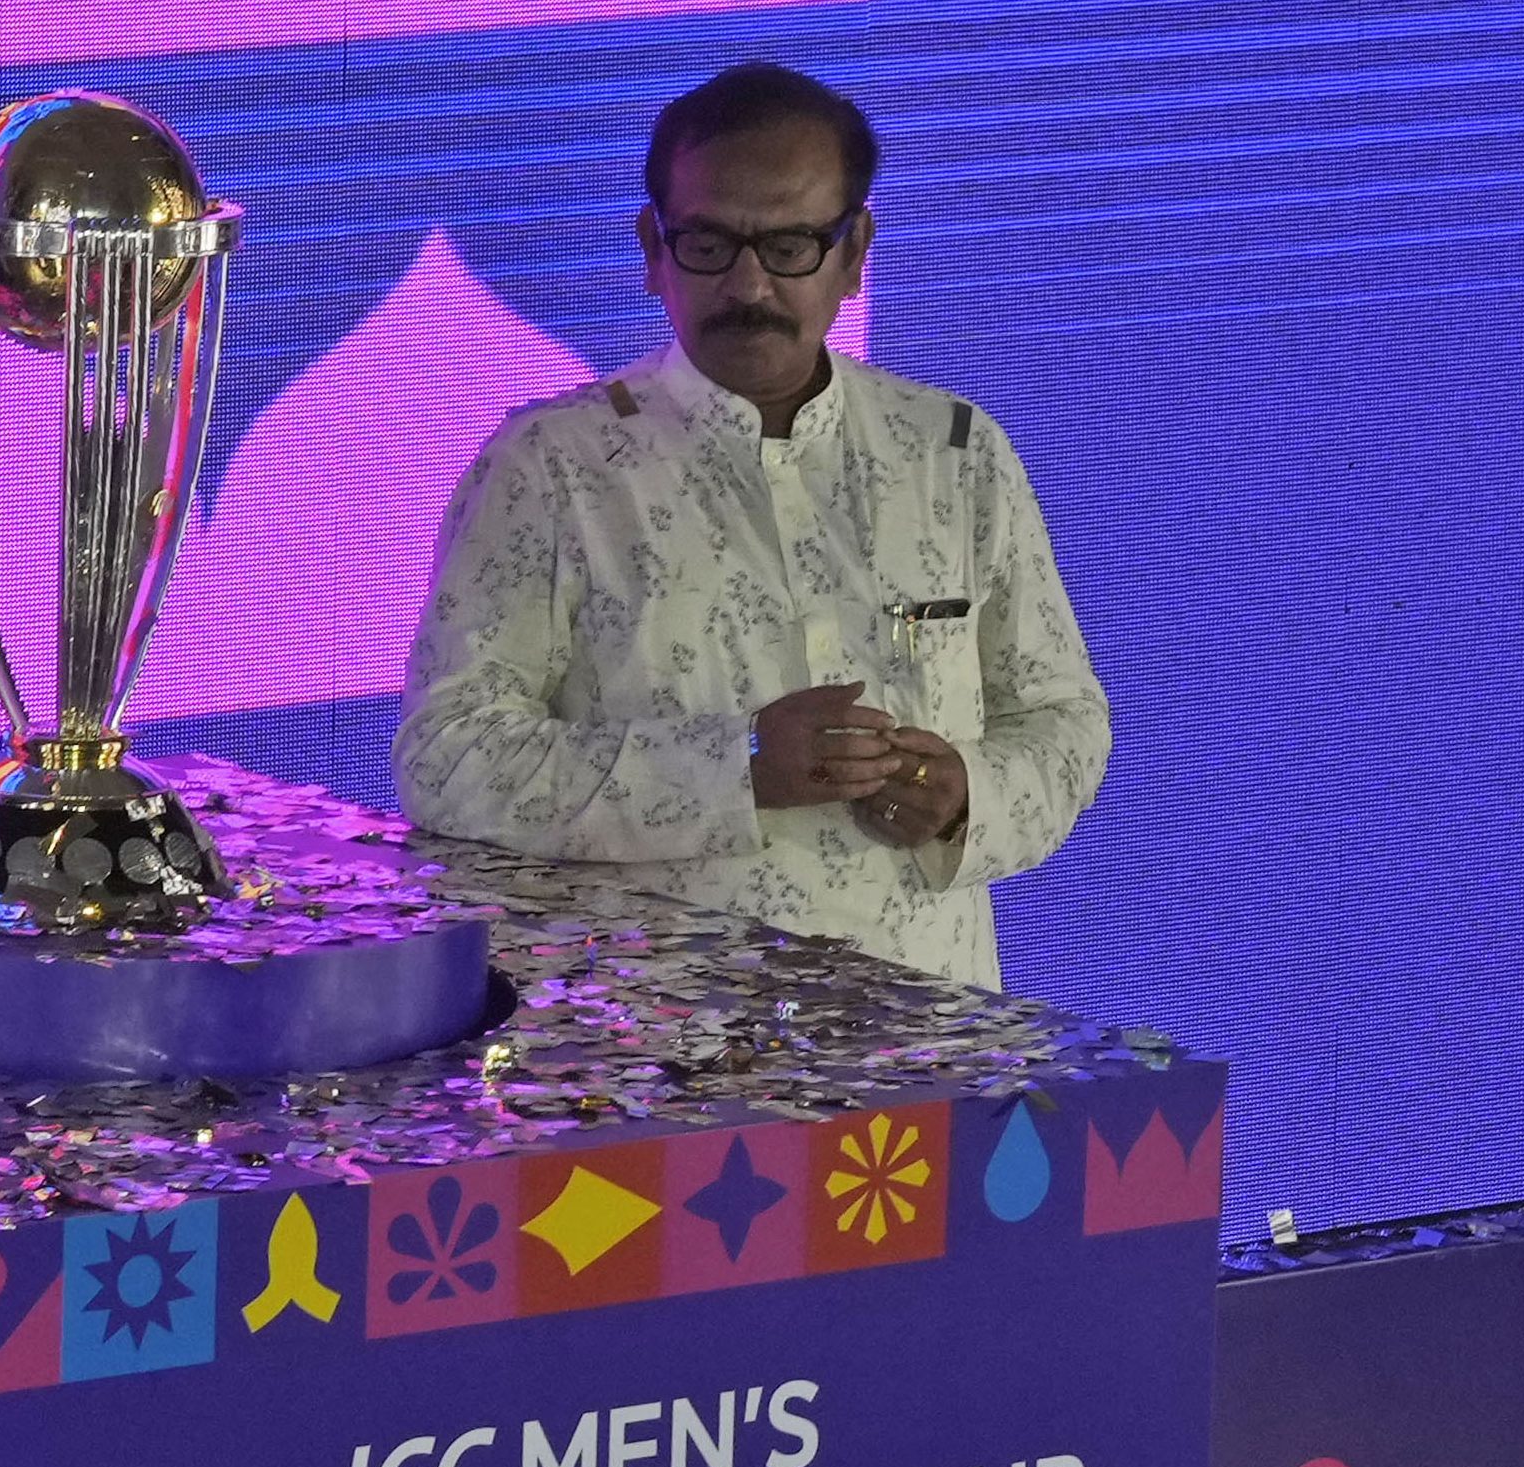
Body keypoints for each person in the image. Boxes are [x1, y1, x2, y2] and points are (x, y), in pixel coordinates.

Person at [391, 62, 1111, 991]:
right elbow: (448, 759)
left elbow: (1062, 720)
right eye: (709, 244)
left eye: (792, 246)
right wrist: (738, 766)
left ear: (854, 256)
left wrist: (966, 792)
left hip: (926, 1036)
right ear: (654, 248)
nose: (749, 284)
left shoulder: (952, 452)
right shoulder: (552, 468)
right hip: (642, 1056)